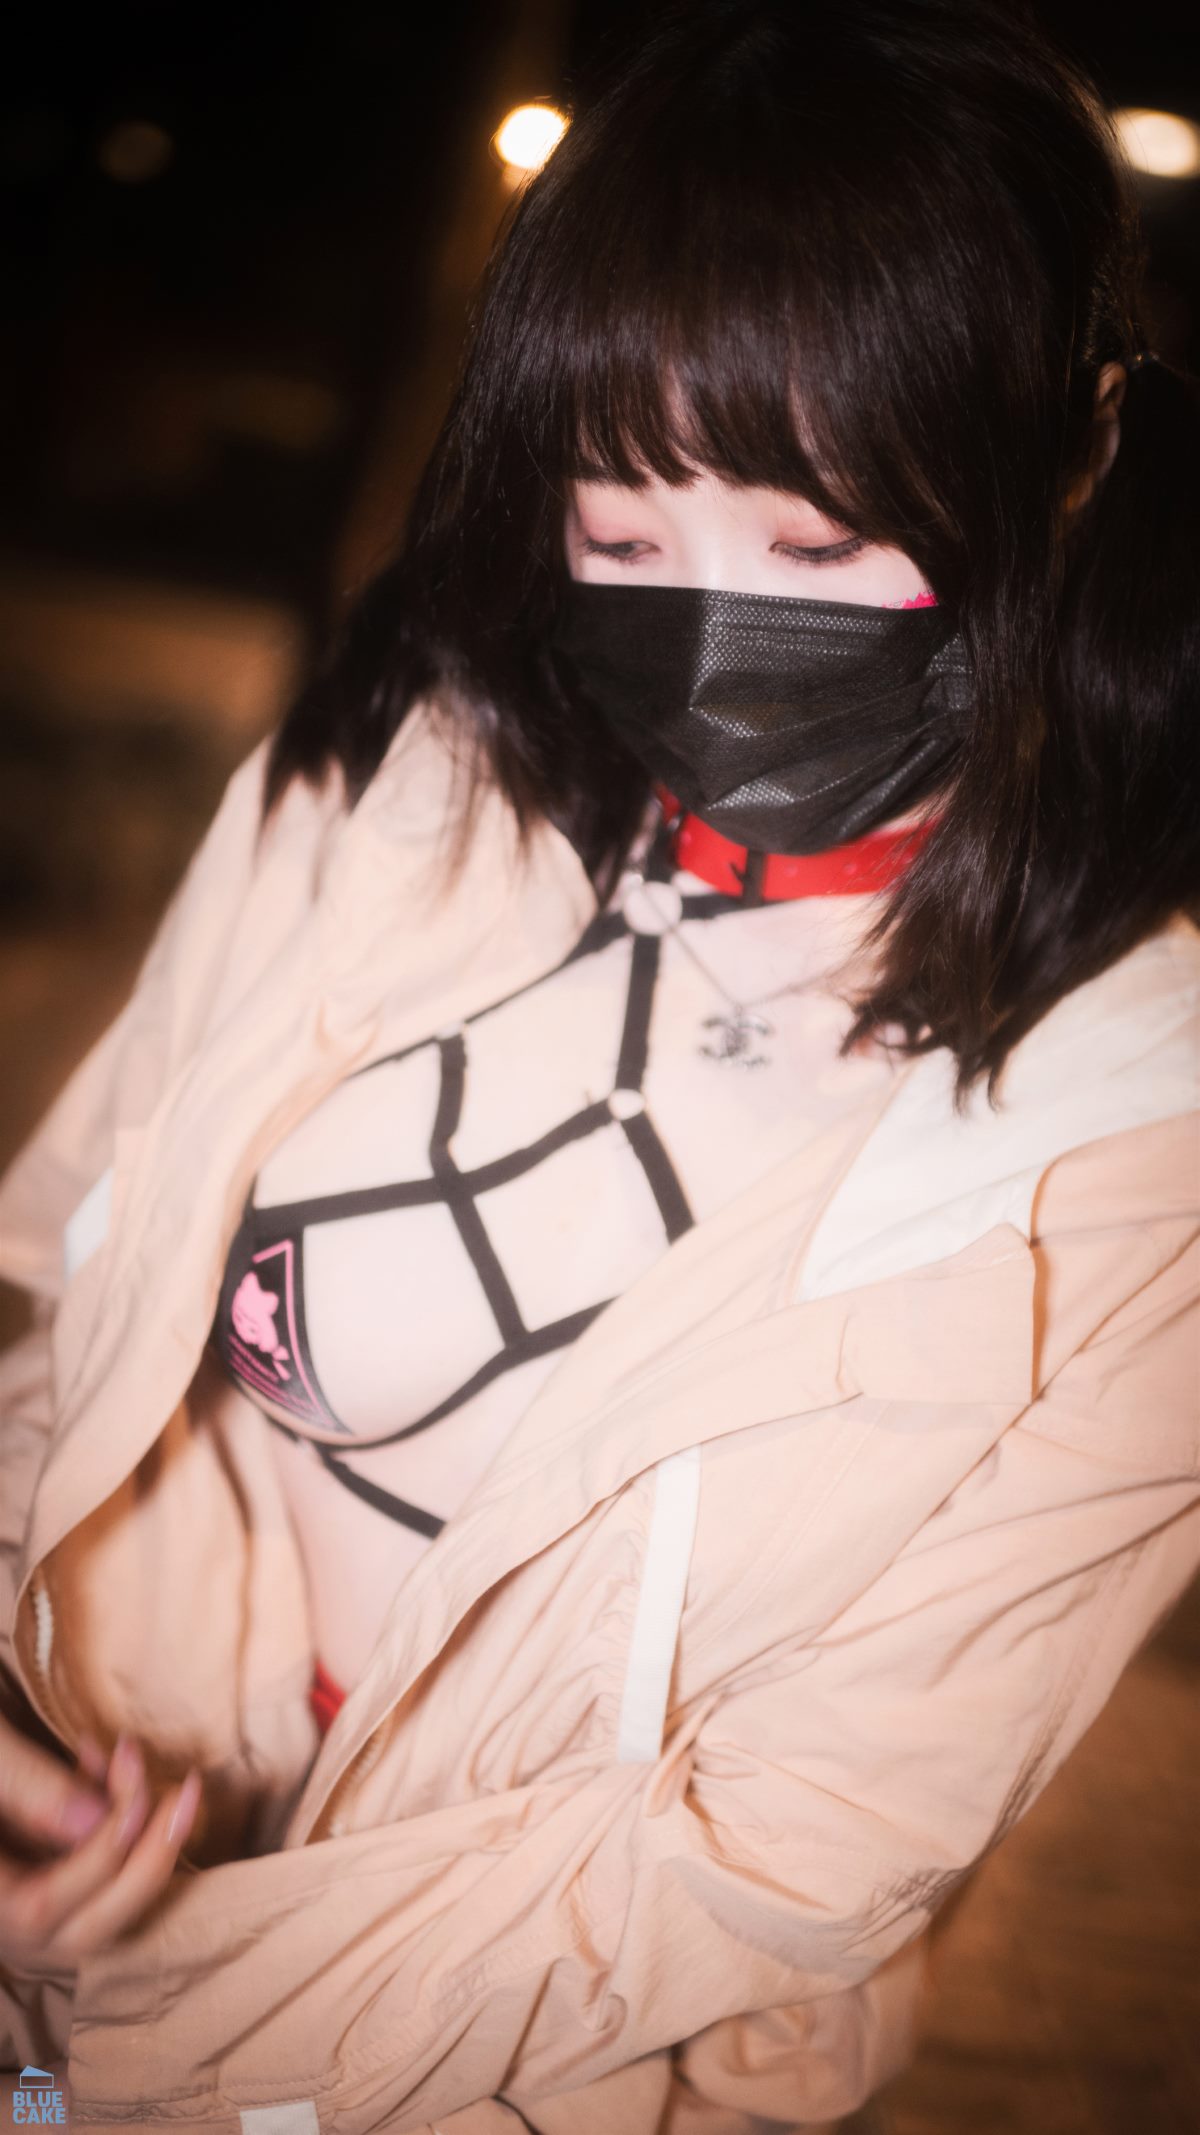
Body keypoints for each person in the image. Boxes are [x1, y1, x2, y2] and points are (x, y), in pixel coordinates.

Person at [0, 1, 1197, 2127]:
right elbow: (63, 1287)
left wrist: (149, 2021)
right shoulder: (404, 768)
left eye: (819, 546)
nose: (716, 642)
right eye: (626, 539)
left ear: (1075, 448)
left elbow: (791, 1844)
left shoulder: (1140, 1136)